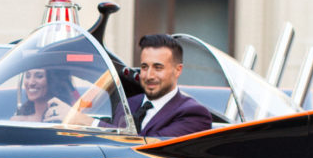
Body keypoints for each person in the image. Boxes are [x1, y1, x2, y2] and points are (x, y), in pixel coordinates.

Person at [43, 34, 212, 138]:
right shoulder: (130, 103)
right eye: (144, 67)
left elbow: (147, 149)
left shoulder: (194, 114)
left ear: (178, 70)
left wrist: (83, 120)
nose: (149, 75)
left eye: (158, 67)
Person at [11, 68, 77, 122]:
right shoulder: (17, 122)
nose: (31, 83)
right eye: (28, 76)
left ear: (52, 81)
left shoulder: (67, 118)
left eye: (39, 76)